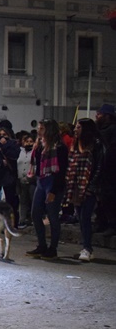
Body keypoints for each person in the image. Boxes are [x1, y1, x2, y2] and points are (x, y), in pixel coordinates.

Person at [26, 119, 69, 260]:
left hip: (53, 181)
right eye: (39, 128)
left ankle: (53, 248)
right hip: (41, 180)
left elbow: (61, 171)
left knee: (52, 215)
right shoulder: (39, 145)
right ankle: (42, 245)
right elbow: (37, 165)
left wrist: (54, 191)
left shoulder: (59, 147)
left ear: (49, 130)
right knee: (35, 213)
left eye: (42, 128)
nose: (39, 131)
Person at [63, 118, 104, 262]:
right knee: (80, 217)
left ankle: (87, 248)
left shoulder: (96, 145)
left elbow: (99, 168)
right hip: (76, 186)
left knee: (85, 217)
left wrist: (91, 187)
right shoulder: (75, 144)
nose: (75, 130)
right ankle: (85, 247)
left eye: (78, 127)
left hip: (89, 187)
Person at [94, 104, 116, 236]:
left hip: (110, 170)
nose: (97, 116)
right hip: (101, 169)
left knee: (109, 197)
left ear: (107, 116)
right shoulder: (99, 130)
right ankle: (101, 222)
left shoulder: (112, 130)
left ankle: (112, 224)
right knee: (100, 198)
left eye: (100, 114)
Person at [16, 132, 35, 229]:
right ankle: (22, 220)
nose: (29, 143)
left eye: (31, 141)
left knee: (33, 200)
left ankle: (34, 219)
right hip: (21, 180)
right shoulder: (20, 151)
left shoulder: (35, 152)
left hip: (32, 181)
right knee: (23, 201)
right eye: (27, 141)